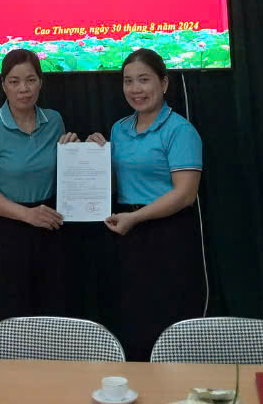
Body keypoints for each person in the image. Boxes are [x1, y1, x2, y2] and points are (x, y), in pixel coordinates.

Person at [86, 48, 204, 360]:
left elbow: (185, 194)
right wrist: (92, 153)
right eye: (128, 81)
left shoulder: (181, 130)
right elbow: (112, 182)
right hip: (126, 235)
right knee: (130, 319)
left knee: (167, 320)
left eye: (144, 80)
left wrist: (137, 218)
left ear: (163, 83)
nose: (135, 89)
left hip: (168, 234)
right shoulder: (119, 129)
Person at [0, 48, 80, 324]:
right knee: (12, 314)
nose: (23, 89)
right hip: (8, 229)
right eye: (15, 81)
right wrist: (27, 215)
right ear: (3, 85)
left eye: (30, 80)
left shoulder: (54, 120)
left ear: (41, 82)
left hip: (51, 226)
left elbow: (66, 171)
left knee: (55, 311)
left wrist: (83, 150)